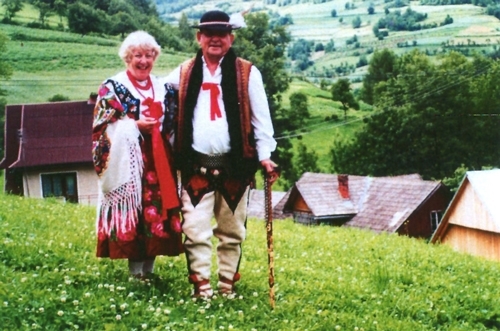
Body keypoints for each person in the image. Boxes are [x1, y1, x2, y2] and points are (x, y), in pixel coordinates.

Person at [164, 10, 278, 297]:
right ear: (198, 37)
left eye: (222, 33)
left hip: (235, 167)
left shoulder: (247, 73)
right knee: (195, 228)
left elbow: (261, 121)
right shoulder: (183, 72)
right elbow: (151, 93)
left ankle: (227, 285)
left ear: (231, 37)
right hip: (195, 166)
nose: (215, 39)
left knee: (232, 231)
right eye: (209, 33)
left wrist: (265, 155)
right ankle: (202, 287)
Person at [92, 31, 183, 279]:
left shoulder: (163, 86)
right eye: (137, 55)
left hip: (159, 159)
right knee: (136, 209)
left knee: (155, 210)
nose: (143, 61)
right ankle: (135, 272)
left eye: (149, 55)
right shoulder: (112, 88)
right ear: (127, 57)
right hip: (129, 159)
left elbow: (173, 122)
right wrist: (134, 127)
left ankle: (149, 270)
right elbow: (101, 127)